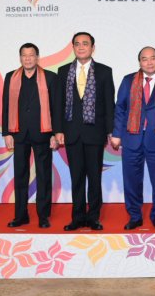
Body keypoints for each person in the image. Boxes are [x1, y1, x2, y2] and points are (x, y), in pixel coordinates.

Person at [111, 46, 155, 231]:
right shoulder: (128, 81)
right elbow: (120, 109)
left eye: (152, 58)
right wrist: (116, 134)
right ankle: (135, 216)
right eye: (144, 59)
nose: (149, 62)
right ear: (139, 62)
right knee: (132, 180)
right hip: (131, 139)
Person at [53, 32, 115, 231]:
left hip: (95, 133)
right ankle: (77, 217)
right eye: (77, 44)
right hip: (71, 133)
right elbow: (58, 104)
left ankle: (94, 217)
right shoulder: (63, 72)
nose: (81, 47)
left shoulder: (104, 71)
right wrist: (58, 130)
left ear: (92, 47)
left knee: (94, 178)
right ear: (73, 47)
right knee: (77, 177)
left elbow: (108, 104)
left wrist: (110, 131)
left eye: (85, 44)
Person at [1, 43, 57, 229]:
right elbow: (6, 105)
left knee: (43, 175)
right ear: (20, 58)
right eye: (24, 55)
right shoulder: (11, 77)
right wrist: (7, 132)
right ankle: (21, 215)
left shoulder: (50, 77)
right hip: (18, 133)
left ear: (37, 57)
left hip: (43, 133)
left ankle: (43, 216)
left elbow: (56, 109)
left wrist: (54, 133)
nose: (28, 58)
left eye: (31, 55)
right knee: (20, 176)